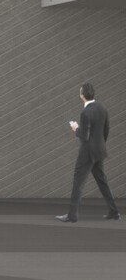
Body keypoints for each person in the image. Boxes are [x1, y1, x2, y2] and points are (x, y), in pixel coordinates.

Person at [59, 83, 120, 222]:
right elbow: (106, 129)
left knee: (78, 183)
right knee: (102, 181)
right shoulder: (102, 107)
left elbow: (84, 136)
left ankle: (72, 216)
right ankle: (114, 212)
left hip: (87, 154)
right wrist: (100, 144)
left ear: (82, 96)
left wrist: (76, 128)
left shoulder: (85, 113)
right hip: (99, 151)